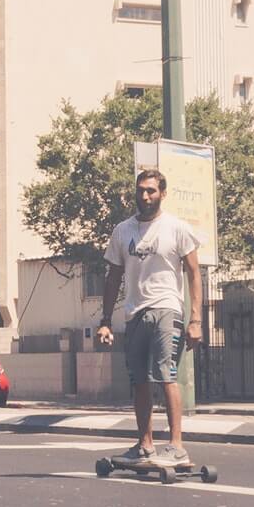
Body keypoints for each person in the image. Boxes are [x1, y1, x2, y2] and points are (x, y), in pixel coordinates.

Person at [98, 168, 204, 467]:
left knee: (165, 374)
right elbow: (113, 276)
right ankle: (145, 446)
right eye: (141, 190)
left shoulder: (177, 228)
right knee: (139, 381)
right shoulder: (122, 231)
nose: (145, 196)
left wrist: (195, 319)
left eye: (151, 191)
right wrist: (105, 320)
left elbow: (194, 274)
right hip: (134, 313)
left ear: (163, 193)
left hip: (167, 309)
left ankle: (176, 447)